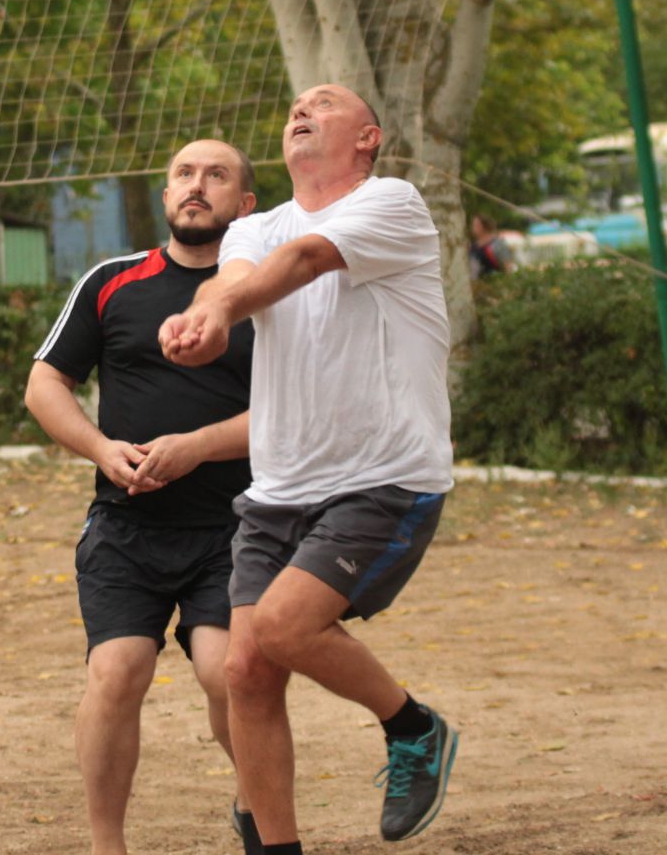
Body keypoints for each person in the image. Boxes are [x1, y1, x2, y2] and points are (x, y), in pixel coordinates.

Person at [160, 84, 457, 854]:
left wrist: (220, 309)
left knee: (285, 626)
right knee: (246, 672)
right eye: (295, 104)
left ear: (367, 137)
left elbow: (304, 261)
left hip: (383, 477)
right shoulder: (253, 226)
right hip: (279, 489)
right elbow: (232, 280)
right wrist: (202, 315)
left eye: (323, 104)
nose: (301, 110)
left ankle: (412, 727)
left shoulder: (391, 204)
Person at [26, 139, 258, 855]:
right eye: (184, 174)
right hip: (126, 527)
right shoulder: (112, 281)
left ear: (246, 204)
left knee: (226, 672)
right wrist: (102, 449)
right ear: (165, 196)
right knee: (116, 672)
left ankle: (257, 804)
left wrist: (198, 446)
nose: (197, 185)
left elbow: (295, 414)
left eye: (216, 175)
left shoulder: (267, 294)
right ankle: (108, 846)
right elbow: (44, 384)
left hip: (236, 528)